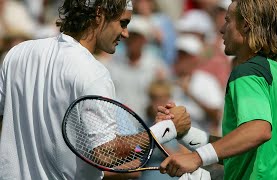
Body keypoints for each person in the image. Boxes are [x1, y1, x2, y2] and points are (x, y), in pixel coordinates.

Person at [0, 0, 191, 179]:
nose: (125, 33)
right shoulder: (94, 72)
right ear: (99, 14)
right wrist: (166, 129)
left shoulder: (17, 53)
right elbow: (105, 153)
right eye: (123, 23)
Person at [157, 0, 277, 179]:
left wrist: (196, 158)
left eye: (228, 20)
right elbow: (241, 149)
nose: (222, 29)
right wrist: (184, 133)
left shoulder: (247, 72)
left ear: (246, 25)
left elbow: (258, 130)